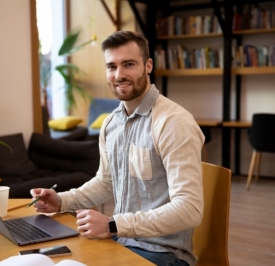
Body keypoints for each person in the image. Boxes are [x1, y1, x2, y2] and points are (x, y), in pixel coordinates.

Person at [30, 31, 204, 266]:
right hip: (120, 241)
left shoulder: (174, 122)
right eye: (111, 66)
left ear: (148, 66)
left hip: (164, 253)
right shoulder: (111, 123)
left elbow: (189, 209)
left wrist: (113, 225)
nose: (119, 75)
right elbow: (105, 182)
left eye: (129, 64)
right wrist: (61, 201)